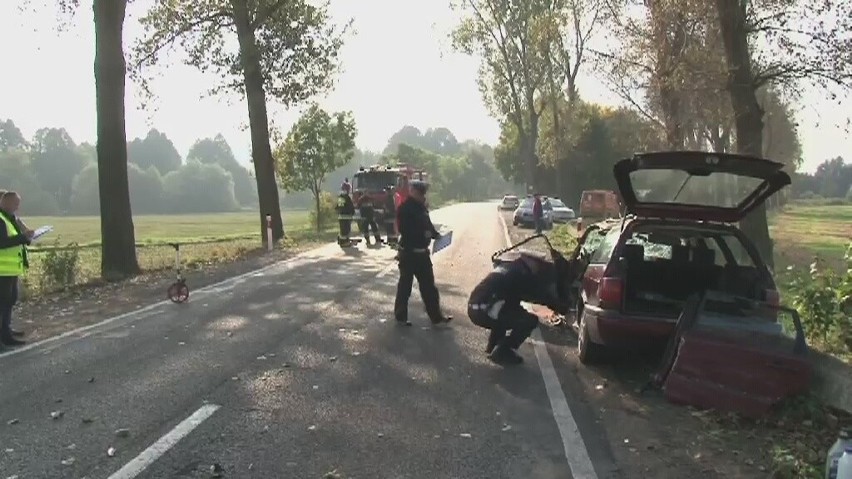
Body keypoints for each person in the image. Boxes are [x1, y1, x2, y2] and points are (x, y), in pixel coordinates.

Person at [467, 252, 572, 365]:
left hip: (475, 307)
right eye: (537, 262)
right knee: (529, 320)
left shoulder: (511, 266)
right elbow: (538, 296)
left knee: (511, 308)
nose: (539, 266)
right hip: (483, 310)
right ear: (528, 260)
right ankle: (503, 351)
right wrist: (560, 305)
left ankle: (494, 345)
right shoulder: (520, 274)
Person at [394, 180, 452, 326]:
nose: (422, 196)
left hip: (422, 254)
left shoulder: (421, 208)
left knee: (429, 287)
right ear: (412, 192)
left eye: (423, 193)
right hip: (409, 253)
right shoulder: (405, 208)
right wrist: (424, 234)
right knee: (405, 286)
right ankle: (401, 317)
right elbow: (404, 230)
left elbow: (428, 225)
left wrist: (436, 235)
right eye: (420, 193)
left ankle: (436, 317)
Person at [0, 191, 32, 346]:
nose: (17, 207)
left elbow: (17, 238)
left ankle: (6, 332)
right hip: (2, 270)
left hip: (10, 269)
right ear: (4, 202)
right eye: (15, 203)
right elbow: (2, 242)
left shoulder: (9, 219)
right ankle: (3, 337)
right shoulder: (1, 220)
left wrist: (26, 237)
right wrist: (22, 237)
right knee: (3, 303)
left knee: (9, 301)